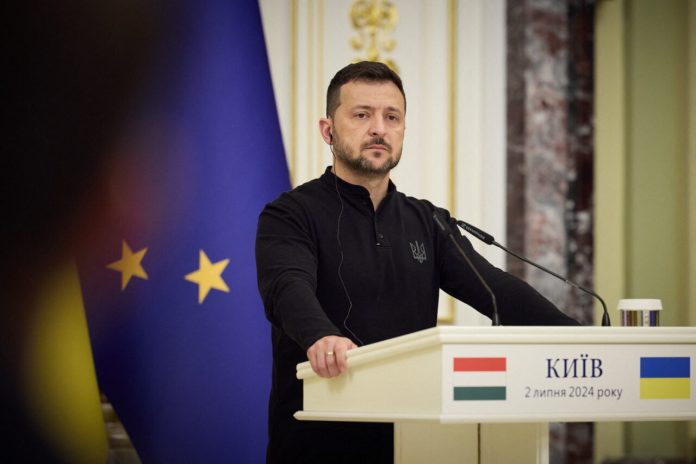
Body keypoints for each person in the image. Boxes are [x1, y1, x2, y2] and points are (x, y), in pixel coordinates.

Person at [255, 61, 579, 463]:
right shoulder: (289, 214)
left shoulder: (428, 221)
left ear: (403, 129)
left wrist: (578, 338)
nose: (379, 128)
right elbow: (287, 287)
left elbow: (495, 289)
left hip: (414, 441)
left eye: (392, 117)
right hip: (317, 439)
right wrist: (321, 336)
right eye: (362, 115)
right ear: (328, 130)